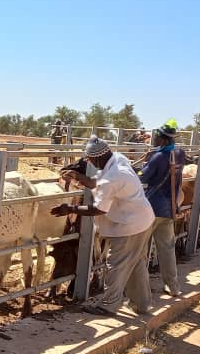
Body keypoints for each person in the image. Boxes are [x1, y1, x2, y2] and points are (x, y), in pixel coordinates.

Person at [51, 136, 156, 316]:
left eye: (89, 159)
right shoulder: (118, 160)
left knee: (115, 264)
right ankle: (142, 304)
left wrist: (70, 208)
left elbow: (98, 209)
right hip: (143, 220)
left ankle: (108, 305)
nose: (88, 162)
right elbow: (95, 182)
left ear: (97, 158)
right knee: (136, 263)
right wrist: (78, 176)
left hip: (128, 225)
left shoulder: (112, 179)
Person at [139, 120, 184, 297]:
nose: (154, 139)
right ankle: (173, 286)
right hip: (169, 208)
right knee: (167, 249)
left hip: (152, 207)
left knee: (141, 249)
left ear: (163, 139)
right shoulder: (180, 153)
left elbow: (143, 178)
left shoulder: (158, 157)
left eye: (157, 137)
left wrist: (145, 163)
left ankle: (141, 290)